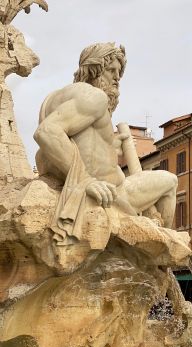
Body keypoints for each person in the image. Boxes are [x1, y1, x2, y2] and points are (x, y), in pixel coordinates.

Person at [34, 42, 178, 244]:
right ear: (94, 69)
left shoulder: (56, 97)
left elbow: (53, 148)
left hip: (104, 187)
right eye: (111, 70)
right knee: (170, 181)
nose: (117, 78)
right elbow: (47, 133)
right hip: (112, 193)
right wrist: (87, 182)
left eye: (119, 72)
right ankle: (159, 259)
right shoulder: (95, 97)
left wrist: (109, 145)